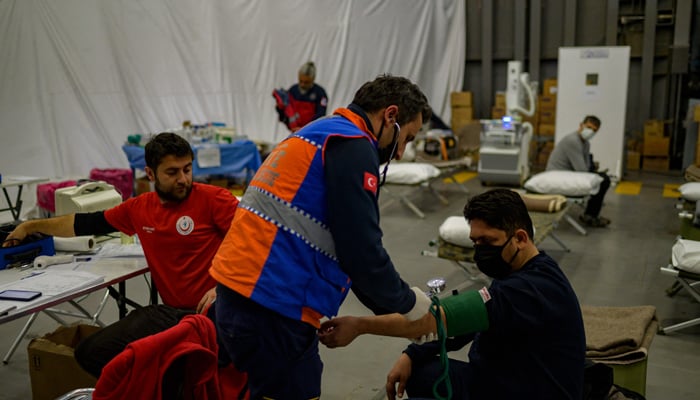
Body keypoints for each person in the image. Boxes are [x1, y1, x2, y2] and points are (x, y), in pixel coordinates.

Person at [210, 74, 434, 398]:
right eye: (407, 138)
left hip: (238, 297)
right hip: (274, 308)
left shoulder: (318, 133)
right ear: (391, 116)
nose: (400, 153)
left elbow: (344, 244)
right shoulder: (354, 145)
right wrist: (410, 306)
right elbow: (361, 249)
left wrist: (384, 312)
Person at [2, 132, 240, 379]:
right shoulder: (139, 209)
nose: (183, 179)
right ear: (150, 174)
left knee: (169, 362)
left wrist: (223, 288)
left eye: (187, 169)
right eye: (172, 172)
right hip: (173, 315)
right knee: (90, 353)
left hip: (216, 313)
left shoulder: (215, 200)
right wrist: (29, 226)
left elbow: (257, 245)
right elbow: (83, 223)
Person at [318, 189, 586, 400]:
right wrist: (411, 354)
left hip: (526, 392)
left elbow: (433, 320)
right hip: (507, 378)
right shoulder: (524, 270)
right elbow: (465, 327)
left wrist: (359, 325)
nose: (480, 250)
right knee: (422, 372)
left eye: (488, 242)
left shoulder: (528, 290)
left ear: (520, 238)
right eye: (475, 242)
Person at [546, 115, 611, 227]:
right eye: (589, 127)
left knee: (601, 178)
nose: (591, 132)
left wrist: (591, 168)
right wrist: (591, 169)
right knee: (603, 180)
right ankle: (590, 216)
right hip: (558, 175)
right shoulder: (573, 141)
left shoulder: (585, 143)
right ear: (581, 125)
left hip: (569, 173)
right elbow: (582, 169)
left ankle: (591, 215)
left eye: (594, 130)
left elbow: (584, 166)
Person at [273, 61, 328, 132]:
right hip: (295, 131)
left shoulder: (320, 93)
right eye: (300, 81)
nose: (302, 85)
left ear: (313, 79)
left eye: (306, 82)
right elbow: (286, 113)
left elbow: (321, 116)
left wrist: (306, 128)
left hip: (312, 131)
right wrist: (279, 108)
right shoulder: (293, 90)